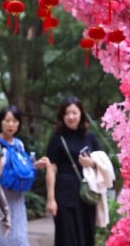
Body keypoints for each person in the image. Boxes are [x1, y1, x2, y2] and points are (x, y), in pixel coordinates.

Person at [0, 105, 50, 246]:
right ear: (0, 122)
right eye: (7, 121)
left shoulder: (19, 144)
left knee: (19, 237)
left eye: (14, 121)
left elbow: (20, 168)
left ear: (19, 123)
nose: (11, 125)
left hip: (17, 198)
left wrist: (36, 165)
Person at [45, 96, 100, 246]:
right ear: (62, 116)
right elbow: (51, 168)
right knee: (67, 236)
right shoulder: (57, 138)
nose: (71, 117)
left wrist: (92, 163)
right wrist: (51, 199)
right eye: (67, 113)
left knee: (86, 233)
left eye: (74, 112)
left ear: (81, 114)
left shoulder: (90, 137)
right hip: (64, 194)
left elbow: (104, 163)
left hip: (86, 194)